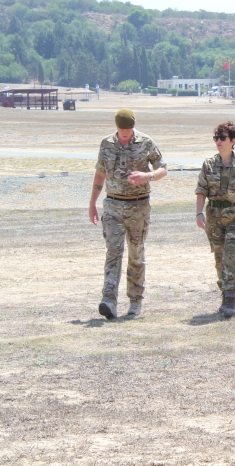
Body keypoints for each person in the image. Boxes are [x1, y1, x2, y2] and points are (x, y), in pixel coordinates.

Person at [89, 108, 167, 319]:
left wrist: (147, 176)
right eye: (122, 130)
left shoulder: (146, 142)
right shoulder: (106, 144)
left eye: (129, 129)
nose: (125, 133)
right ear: (116, 127)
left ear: (133, 127)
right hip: (113, 205)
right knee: (113, 252)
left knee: (136, 253)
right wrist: (92, 203)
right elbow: (100, 173)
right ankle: (108, 300)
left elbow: (163, 169)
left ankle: (135, 300)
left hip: (138, 206)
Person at [195, 121, 235, 318]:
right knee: (219, 258)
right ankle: (225, 294)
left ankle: (231, 298)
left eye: (222, 138)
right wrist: (199, 213)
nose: (218, 141)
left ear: (233, 141)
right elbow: (201, 190)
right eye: (216, 138)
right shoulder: (208, 164)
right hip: (214, 216)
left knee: (231, 254)